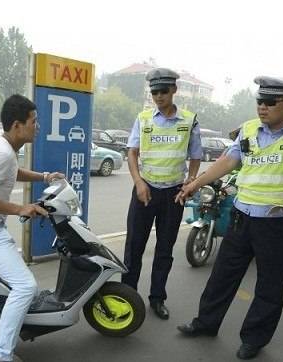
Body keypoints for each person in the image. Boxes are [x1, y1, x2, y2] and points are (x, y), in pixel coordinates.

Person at [175, 76, 283, 360]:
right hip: (242, 216)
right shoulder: (248, 129)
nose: (263, 107)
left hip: (278, 222)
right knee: (222, 276)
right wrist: (194, 184)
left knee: (271, 285)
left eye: (270, 102)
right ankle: (206, 323)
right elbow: (227, 162)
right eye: (260, 101)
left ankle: (254, 338)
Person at [0, 94, 64, 362]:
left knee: (14, 284)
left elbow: (11, 172)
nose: (37, 126)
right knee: (25, 287)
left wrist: (44, 177)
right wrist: (20, 208)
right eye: (34, 121)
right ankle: (1, 354)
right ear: (18, 125)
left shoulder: (5, 148)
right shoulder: (1, 152)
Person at [122, 67, 202, 320]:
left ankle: (157, 298)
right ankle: (127, 296)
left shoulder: (189, 121)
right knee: (134, 247)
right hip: (145, 190)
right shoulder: (143, 119)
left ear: (174, 90)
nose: (158, 96)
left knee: (165, 250)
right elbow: (132, 152)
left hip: (173, 195)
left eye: (163, 91)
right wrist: (138, 182)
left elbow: (196, 155)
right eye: (154, 91)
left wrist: (190, 181)